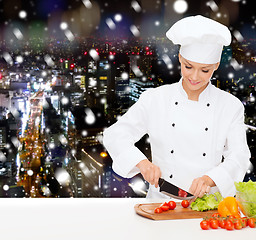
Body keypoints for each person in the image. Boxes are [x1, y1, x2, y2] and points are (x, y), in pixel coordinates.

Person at [103, 15, 251, 199]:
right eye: (189, 67)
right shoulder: (155, 99)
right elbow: (116, 135)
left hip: (206, 205)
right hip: (160, 203)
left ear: (216, 66)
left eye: (205, 70)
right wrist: (142, 163)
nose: (195, 77)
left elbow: (239, 156)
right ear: (180, 58)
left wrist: (211, 179)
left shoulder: (230, 106)